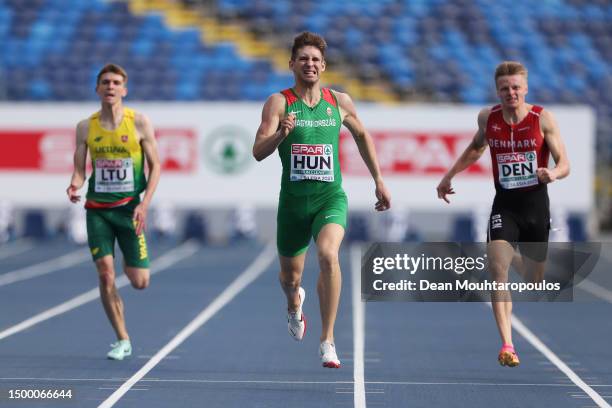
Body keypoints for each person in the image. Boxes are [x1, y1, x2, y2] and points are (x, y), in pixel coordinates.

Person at [253, 32, 391, 368]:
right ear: (292, 64)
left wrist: (379, 179)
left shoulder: (339, 102)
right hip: (293, 205)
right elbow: (258, 152)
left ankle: (327, 340)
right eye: (303, 59)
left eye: (315, 60)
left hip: (330, 198)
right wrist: (281, 134)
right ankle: (293, 305)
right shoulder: (279, 103)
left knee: (329, 255)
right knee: (291, 279)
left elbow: (362, 136)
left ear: (324, 65)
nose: (310, 64)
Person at [437, 61, 569, 367]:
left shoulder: (542, 118)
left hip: (536, 206)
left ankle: (517, 260)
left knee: (535, 280)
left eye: (515, 87)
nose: (510, 93)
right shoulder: (488, 117)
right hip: (505, 206)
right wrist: (449, 175)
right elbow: (475, 148)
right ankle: (508, 344)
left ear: (525, 89)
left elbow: (565, 163)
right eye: (504, 88)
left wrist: (553, 173)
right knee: (497, 269)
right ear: (497, 91)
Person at [67, 63, 161, 360]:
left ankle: (127, 257)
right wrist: (73, 186)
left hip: (130, 210)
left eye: (116, 82)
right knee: (105, 275)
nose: (110, 86)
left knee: (139, 282)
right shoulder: (86, 127)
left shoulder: (139, 123)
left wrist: (145, 204)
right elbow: (80, 171)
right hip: (97, 211)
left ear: (124, 89)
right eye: (105, 82)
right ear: (97, 89)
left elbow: (156, 166)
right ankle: (122, 339)